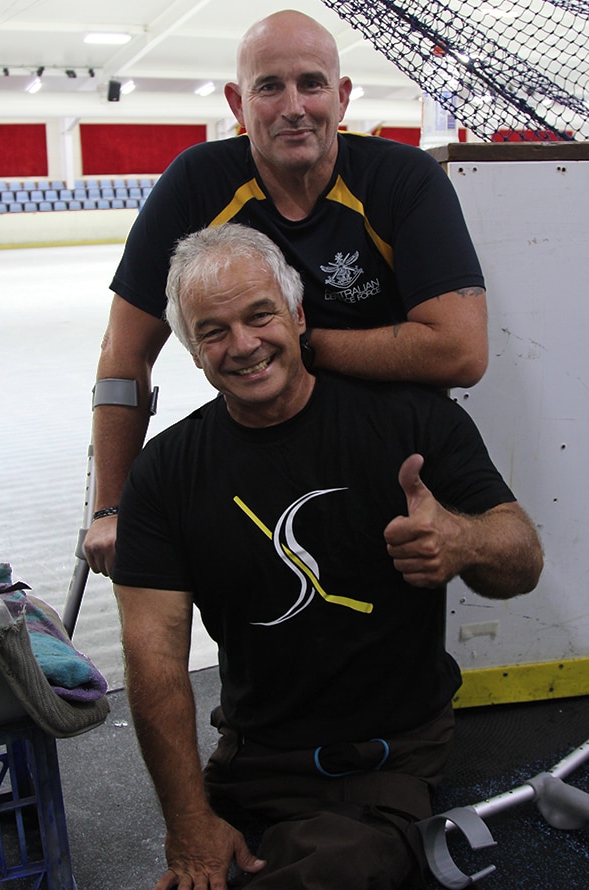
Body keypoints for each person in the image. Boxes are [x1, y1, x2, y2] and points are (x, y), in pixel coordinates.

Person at [112, 224, 542, 890]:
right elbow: (153, 659)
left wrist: (463, 541)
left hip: (387, 760)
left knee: (331, 872)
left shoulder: (409, 422)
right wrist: (188, 822)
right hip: (253, 759)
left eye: (260, 316)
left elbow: (522, 558)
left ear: (299, 314)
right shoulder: (164, 474)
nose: (244, 346)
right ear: (193, 350)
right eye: (214, 331)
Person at [86, 9, 489, 577]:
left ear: (342, 97)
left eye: (312, 84)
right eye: (269, 87)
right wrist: (110, 506)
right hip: (259, 454)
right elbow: (122, 355)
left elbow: (461, 352)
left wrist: (299, 345)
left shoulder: (402, 179)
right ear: (237, 104)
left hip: (387, 461)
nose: (294, 107)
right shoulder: (196, 185)